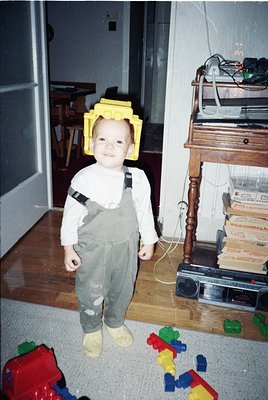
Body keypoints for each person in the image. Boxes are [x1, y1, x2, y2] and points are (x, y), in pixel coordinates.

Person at [61, 114, 158, 358]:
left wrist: (149, 240)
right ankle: (92, 327)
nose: (109, 146)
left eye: (118, 141)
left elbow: (145, 211)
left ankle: (115, 321)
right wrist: (68, 248)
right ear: (91, 142)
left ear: (130, 148)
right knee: (91, 290)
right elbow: (70, 217)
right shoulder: (83, 179)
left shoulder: (137, 179)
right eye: (102, 138)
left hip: (125, 248)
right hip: (91, 250)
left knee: (123, 288)